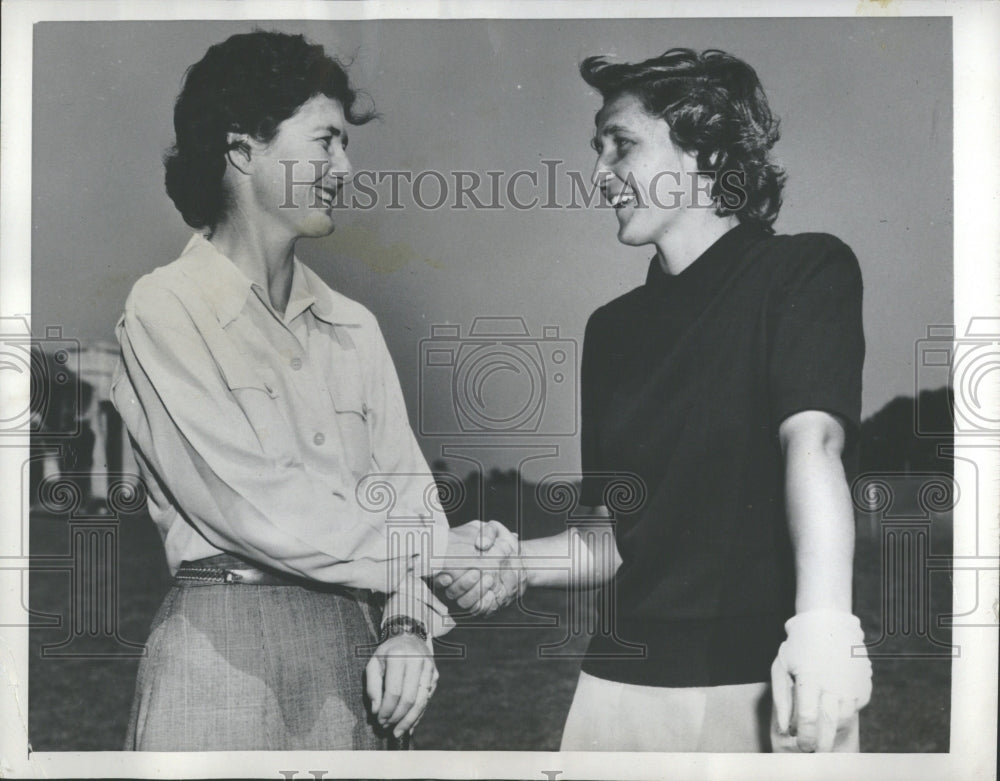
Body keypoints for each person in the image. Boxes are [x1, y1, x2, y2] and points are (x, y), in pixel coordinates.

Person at [439, 47, 873, 752]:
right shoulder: (612, 331)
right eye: (596, 149)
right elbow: (605, 537)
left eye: (623, 146)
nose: (598, 173)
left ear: (703, 152)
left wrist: (823, 625)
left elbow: (813, 444)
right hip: (618, 690)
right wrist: (514, 560)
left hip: (766, 681)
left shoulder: (805, 270)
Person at [111, 30, 500, 750]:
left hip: (358, 660)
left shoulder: (354, 326)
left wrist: (409, 626)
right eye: (325, 141)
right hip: (218, 661)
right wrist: (440, 556)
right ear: (241, 149)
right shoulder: (165, 308)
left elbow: (410, 499)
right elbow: (258, 505)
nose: (344, 168)